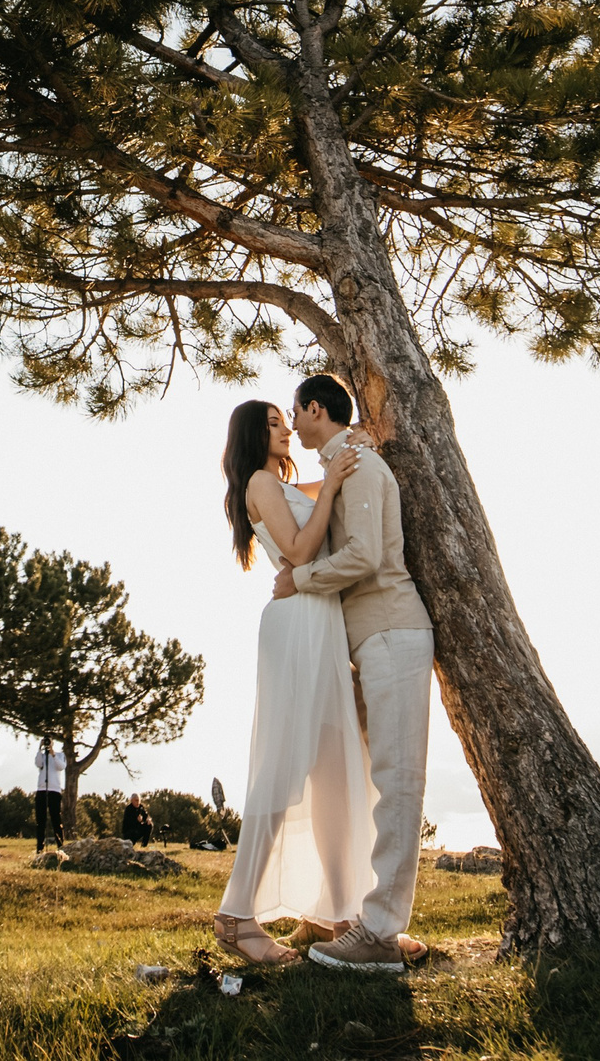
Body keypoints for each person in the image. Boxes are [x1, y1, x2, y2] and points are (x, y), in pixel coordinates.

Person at [210, 393, 380, 965]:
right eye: (274, 424)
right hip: (296, 625)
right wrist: (329, 486)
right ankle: (236, 915)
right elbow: (302, 552)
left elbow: (329, 484)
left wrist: (345, 455)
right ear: (253, 437)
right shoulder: (259, 483)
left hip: (321, 624)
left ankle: (342, 913)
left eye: (287, 420)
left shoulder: (283, 486)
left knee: (334, 767)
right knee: (284, 765)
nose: (285, 430)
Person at [278, 373, 435, 973]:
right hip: (368, 641)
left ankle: (380, 933)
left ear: (316, 408)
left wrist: (301, 579)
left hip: (394, 632)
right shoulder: (346, 460)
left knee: (398, 779)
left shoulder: (362, 467)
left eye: (296, 410)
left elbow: (367, 555)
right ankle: (364, 916)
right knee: (371, 780)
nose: (292, 422)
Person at [32, 736, 65, 850]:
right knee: (40, 821)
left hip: (54, 790)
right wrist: (39, 748)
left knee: (56, 819)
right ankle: (39, 848)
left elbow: (61, 766)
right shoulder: (41, 755)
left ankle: (61, 846)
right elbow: (38, 763)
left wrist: (53, 754)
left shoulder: (60, 755)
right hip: (42, 789)